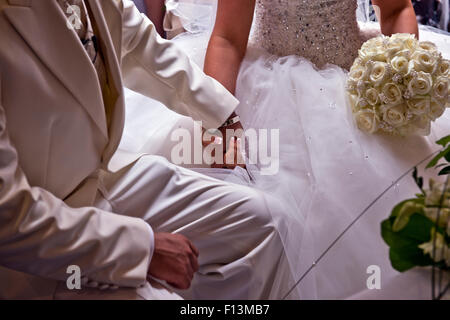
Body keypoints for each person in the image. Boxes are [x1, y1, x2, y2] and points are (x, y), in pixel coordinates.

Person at [123, 0, 450, 298]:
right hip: (266, 87)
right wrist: (219, 120)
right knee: (272, 210)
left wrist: (403, 70)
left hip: (354, 83)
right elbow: (227, 39)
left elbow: (395, 11)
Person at [0, 0, 294, 300]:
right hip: (38, 228)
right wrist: (141, 250)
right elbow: (7, 220)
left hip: (101, 177)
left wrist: (219, 115)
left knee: (269, 224)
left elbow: (136, 42)